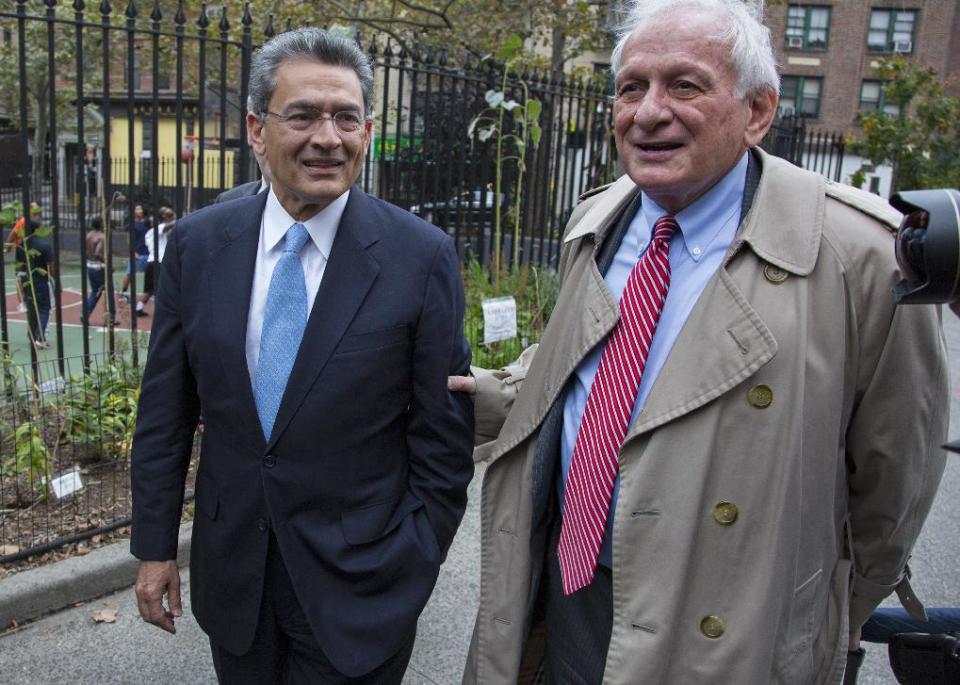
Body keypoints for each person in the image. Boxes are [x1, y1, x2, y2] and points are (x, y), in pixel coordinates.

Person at [456, 1, 948, 683]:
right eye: (631, 87)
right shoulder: (598, 217)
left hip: (725, 624)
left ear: (757, 112)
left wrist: (816, 614)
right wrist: (490, 394)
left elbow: (895, 482)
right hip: (568, 586)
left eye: (684, 85)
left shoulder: (861, 256)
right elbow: (592, 362)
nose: (648, 112)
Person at [130, 27, 474, 685]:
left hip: (364, 588)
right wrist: (153, 546)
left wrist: (416, 558)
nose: (328, 136)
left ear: (367, 131)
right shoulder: (200, 246)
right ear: (257, 129)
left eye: (347, 117)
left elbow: (443, 437)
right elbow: (166, 412)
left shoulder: (420, 257)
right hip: (236, 579)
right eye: (304, 115)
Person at [15, 217, 54, 348]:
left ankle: (31, 334)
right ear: (37, 229)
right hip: (40, 280)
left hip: (27, 280)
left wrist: (20, 284)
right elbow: (50, 266)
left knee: (31, 307)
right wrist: (53, 280)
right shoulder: (44, 245)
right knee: (44, 308)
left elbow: (19, 266)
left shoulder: (21, 245)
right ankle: (39, 337)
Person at [135, 206, 175, 317]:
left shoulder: (149, 234)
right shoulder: (155, 230)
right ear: (151, 224)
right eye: (153, 220)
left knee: (149, 290)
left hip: (152, 263)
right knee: (164, 288)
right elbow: (171, 224)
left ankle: (138, 308)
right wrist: (180, 218)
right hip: (159, 262)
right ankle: (164, 312)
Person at [81, 216, 116, 326]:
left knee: (95, 291)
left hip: (90, 265)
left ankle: (85, 313)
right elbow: (98, 253)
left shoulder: (88, 235)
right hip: (100, 267)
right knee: (109, 292)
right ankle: (109, 319)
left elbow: (86, 252)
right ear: (101, 224)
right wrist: (108, 265)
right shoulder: (102, 237)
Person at [119, 204, 150, 306]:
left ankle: (150, 294)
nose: (140, 210)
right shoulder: (131, 225)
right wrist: (133, 252)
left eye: (141, 208)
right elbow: (129, 240)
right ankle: (123, 294)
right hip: (137, 253)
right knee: (130, 274)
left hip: (148, 253)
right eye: (138, 209)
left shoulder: (147, 223)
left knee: (151, 274)